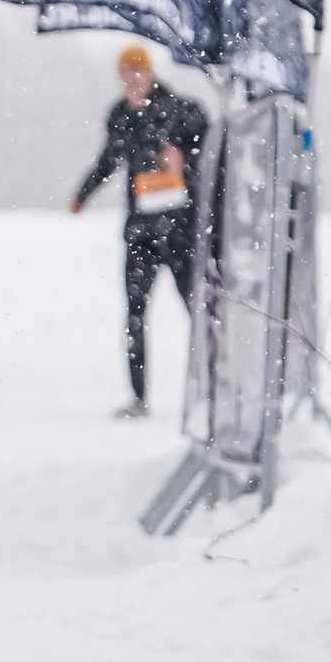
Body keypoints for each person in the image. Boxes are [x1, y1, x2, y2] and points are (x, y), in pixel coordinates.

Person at [69, 45, 210, 419]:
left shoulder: (177, 109)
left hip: (180, 231)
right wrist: (82, 194)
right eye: (126, 74)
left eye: (139, 73)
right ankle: (138, 398)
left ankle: (214, 388)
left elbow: (208, 140)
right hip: (141, 234)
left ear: (150, 75)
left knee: (197, 311)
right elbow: (109, 160)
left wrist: (185, 156)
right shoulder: (120, 116)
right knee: (135, 313)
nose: (133, 81)